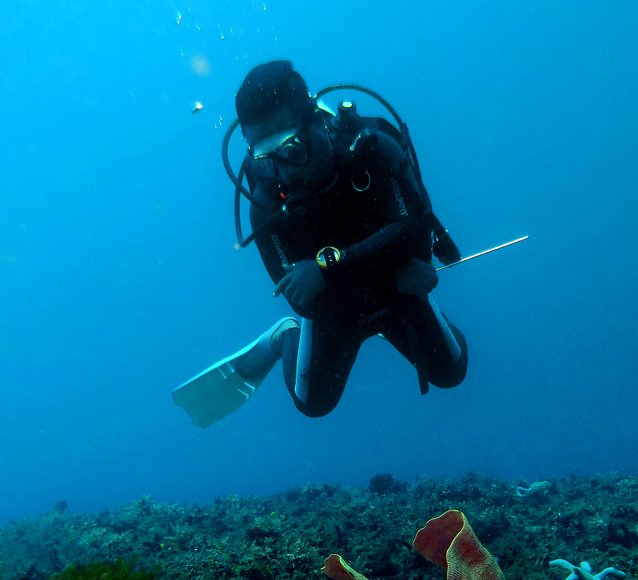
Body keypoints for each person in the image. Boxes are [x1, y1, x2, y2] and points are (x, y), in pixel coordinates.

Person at [173, 60, 468, 426]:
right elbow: (303, 299)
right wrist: (388, 273)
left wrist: (328, 270)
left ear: (314, 123)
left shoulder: (372, 150)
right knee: (313, 404)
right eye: (266, 158)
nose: (283, 171)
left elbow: (413, 233)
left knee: (451, 373)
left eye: (291, 149)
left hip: (383, 288)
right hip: (358, 298)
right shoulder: (265, 202)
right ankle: (284, 338)